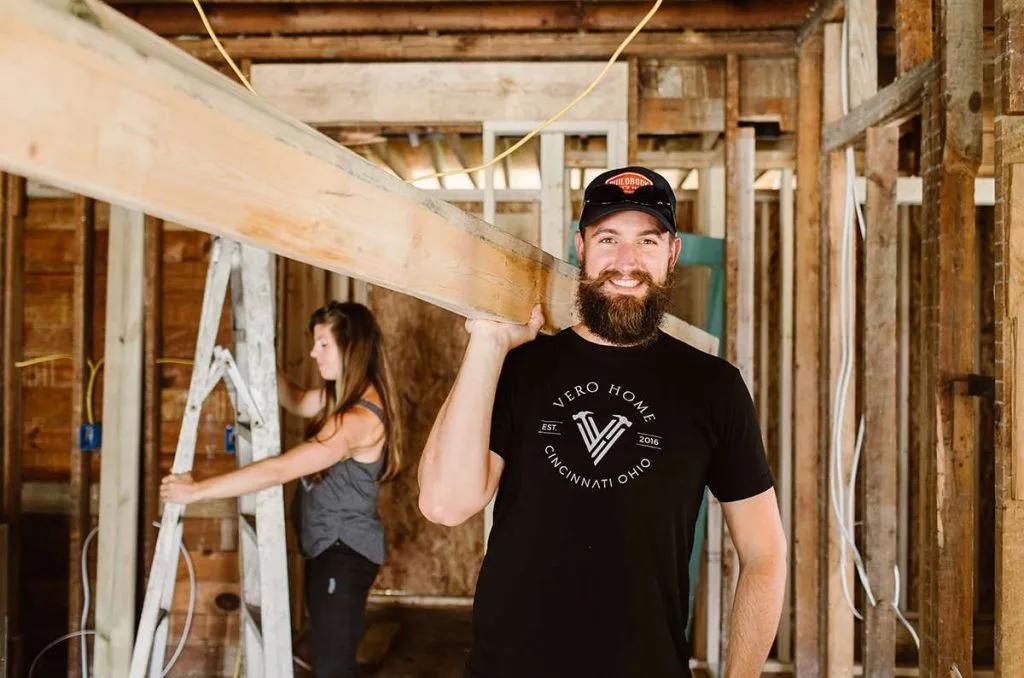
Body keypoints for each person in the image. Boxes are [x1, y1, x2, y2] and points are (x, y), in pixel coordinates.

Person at [417, 167, 787, 678]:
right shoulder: (521, 368)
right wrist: (488, 343)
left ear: (672, 253)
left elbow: (765, 554)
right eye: (608, 239)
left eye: (647, 241)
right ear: (581, 247)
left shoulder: (713, 387)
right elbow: (444, 503)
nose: (626, 263)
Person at [161, 301, 404, 678]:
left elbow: (281, 469)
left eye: (324, 344)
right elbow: (297, 399)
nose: (313, 352)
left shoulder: (356, 419)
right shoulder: (342, 398)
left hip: (344, 552)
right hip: (330, 548)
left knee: (333, 667)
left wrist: (196, 491)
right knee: (330, 658)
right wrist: (257, 357)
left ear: (352, 347)